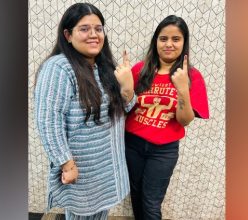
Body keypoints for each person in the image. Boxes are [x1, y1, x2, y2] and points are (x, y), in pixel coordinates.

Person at [34, 3, 135, 219]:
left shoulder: (105, 67)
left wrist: (127, 87)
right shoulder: (59, 67)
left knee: (100, 216)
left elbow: (124, 108)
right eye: (84, 29)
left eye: (98, 29)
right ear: (68, 35)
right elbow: (48, 120)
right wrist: (66, 164)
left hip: (106, 170)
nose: (94, 35)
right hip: (82, 174)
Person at [124, 15, 210, 220]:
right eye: (163, 39)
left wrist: (183, 90)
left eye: (176, 39)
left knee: (151, 202)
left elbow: (185, 120)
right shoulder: (140, 69)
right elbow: (125, 107)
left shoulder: (191, 76)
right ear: (156, 41)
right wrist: (125, 85)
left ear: (184, 43)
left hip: (163, 150)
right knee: (135, 195)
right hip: (132, 144)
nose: (169, 44)